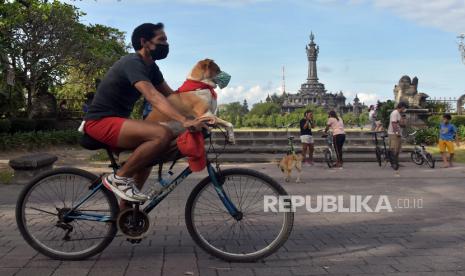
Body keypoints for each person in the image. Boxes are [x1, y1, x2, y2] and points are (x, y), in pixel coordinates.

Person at [84, 23, 211, 203]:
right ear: (144, 42)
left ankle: (126, 213)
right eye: (161, 40)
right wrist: (184, 120)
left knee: (148, 160)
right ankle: (119, 178)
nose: (166, 44)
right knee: (161, 134)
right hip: (100, 122)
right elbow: (153, 96)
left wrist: (201, 111)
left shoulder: (151, 68)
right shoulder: (132, 62)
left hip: (118, 122)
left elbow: (173, 96)